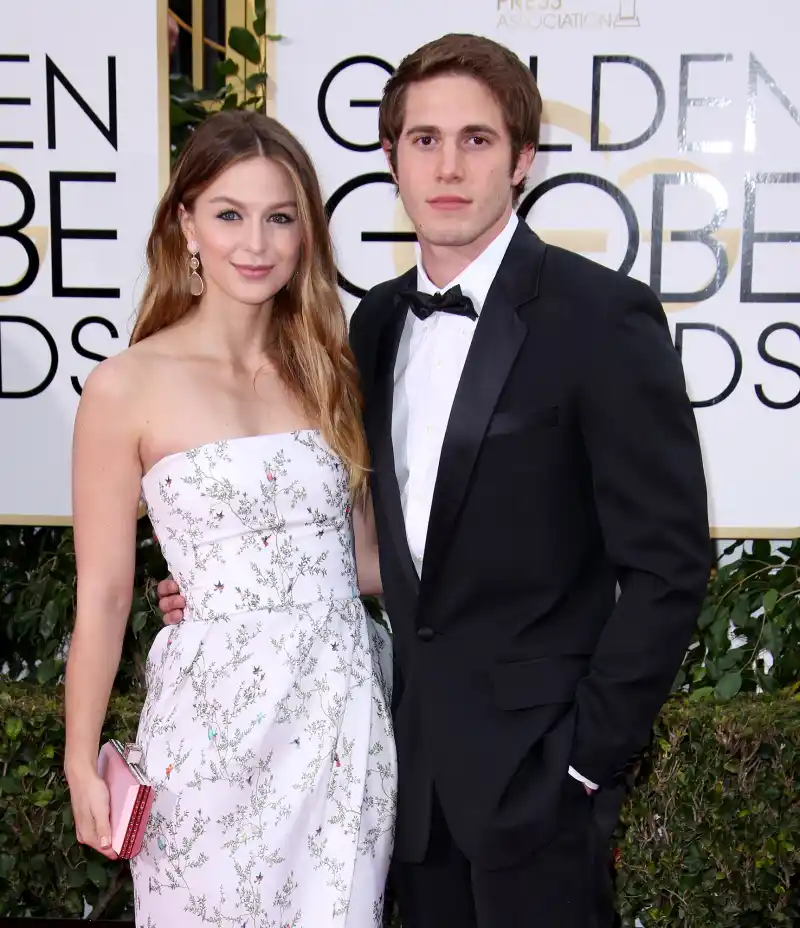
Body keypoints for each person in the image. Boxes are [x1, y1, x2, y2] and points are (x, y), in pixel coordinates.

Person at [158, 33, 712, 928]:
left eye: (477, 140)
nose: (448, 166)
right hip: (400, 781)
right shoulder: (372, 325)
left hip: (541, 784)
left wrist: (584, 759)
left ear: (523, 159)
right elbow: (368, 542)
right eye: (424, 140)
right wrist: (232, 586)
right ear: (391, 158)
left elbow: (669, 566)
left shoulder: (601, 318)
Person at [64, 109, 396, 928]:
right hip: (207, 733)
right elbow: (103, 597)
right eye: (229, 214)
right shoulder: (125, 387)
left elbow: (368, 566)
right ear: (186, 224)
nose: (256, 242)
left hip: (338, 722)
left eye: (280, 217)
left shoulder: (329, 371)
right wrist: (79, 761)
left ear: (306, 233)